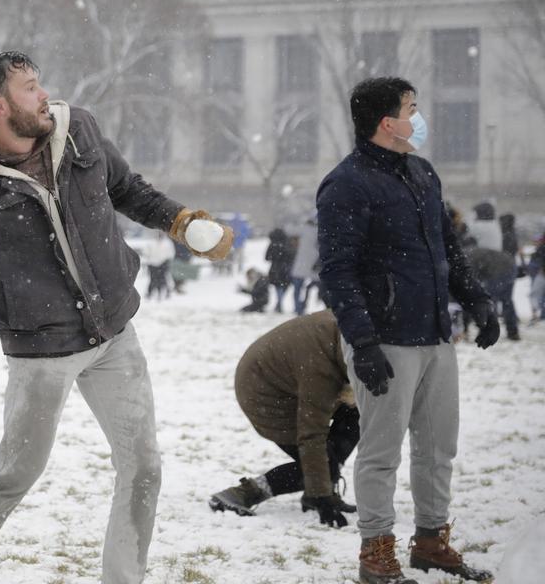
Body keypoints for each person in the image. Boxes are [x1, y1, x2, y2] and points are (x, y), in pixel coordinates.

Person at [0, 53, 234, 584]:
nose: (43, 94)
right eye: (29, 88)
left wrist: (180, 222)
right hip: (42, 353)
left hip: (115, 334)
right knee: (13, 475)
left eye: (40, 82)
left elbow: (126, 189)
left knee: (144, 467)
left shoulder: (79, 132)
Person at [317, 77, 496, 584]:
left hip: (437, 336)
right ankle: (376, 552)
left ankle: (432, 542)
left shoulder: (421, 172)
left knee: (439, 447)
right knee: (380, 453)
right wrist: (364, 343)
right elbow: (337, 272)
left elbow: (447, 247)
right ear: (385, 121)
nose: (419, 116)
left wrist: (477, 298)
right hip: (387, 342)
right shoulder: (346, 185)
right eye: (411, 108)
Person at [209, 311, 358, 526]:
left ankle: (318, 487)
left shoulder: (350, 328)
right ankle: (244, 493)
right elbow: (311, 434)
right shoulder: (319, 368)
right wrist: (323, 498)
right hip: (265, 396)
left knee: (355, 419)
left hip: (289, 381)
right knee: (321, 462)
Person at [464, 245, 520, 341]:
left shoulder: (464, 259)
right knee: (507, 301)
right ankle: (513, 332)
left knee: (489, 302)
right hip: (510, 265)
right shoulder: (470, 252)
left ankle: (486, 332)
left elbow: (469, 284)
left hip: (497, 270)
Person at [290, 216, 319, 316]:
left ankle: (298, 308)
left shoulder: (302, 230)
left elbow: (289, 229)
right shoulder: (318, 232)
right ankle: (304, 305)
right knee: (311, 288)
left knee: (297, 289)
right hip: (313, 264)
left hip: (301, 264)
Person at [265, 228, 295, 313]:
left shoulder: (272, 244)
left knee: (278, 287)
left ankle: (279, 304)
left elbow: (267, 257)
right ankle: (279, 304)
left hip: (275, 269)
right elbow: (292, 256)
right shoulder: (287, 243)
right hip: (286, 269)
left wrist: (275, 257)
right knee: (283, 287)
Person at [140, 229, 174, 301]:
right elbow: (146, 253)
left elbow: (171, 254)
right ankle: (150, 293)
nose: (159, 235)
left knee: (163, 279)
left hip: (163, 264)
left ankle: (164, 293)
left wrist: (165, 261)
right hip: (152, 264)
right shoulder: (151, 243)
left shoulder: (167, 243)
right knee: (153, 279)